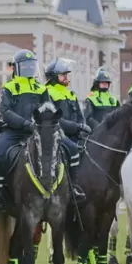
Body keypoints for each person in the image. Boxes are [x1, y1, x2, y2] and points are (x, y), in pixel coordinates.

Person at [0, 50, 48, 214]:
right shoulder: (9, 87)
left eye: (31, 66)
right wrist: (25, 124)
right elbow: (6, 112)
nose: (29, 69)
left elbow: (48, 109)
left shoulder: (41, 89)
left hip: (37, 133)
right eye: (25, 66)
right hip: (13, 132)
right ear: (16, 68)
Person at [44, 58, 89, 203]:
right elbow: (56, 120)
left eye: (66, 75)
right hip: (58, 134)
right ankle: (73, 187)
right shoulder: (48, 93)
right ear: (53, 77)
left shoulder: (70, 94)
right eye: (63, 75)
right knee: (73, 149)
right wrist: (77, 127)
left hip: (75, 134)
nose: (66, 78)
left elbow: (80, 116)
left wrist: (82, 127)